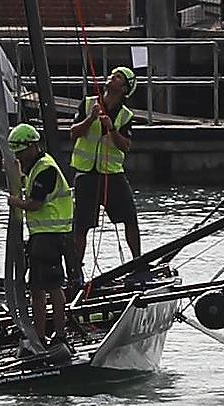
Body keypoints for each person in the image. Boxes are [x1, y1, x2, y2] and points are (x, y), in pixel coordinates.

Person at [6, 123, 74, 346]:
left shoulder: (46, 168)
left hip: (51, 235)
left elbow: (35, 203)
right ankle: (40, 334)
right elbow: (33, 187)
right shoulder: (36, 168)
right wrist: (16, 176)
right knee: (36, 288)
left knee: (52, 287)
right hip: (41, 235)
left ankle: (60, 334)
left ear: (33, 146)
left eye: (21, 152)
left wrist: (15, 201)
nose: (19, 156)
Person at [70, 66, 141, 264]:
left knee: (130, 218)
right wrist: (90, 118)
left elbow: (125, 146)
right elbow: (73, 133)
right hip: (86, 173)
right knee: (81, 226)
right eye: (112, 75)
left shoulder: (125, 115)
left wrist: (112, 129)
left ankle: (138, 262)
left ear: (125, 89)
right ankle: (76, 270)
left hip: (112, 174)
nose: (112, 78)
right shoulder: (88, 103)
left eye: (118, 77)